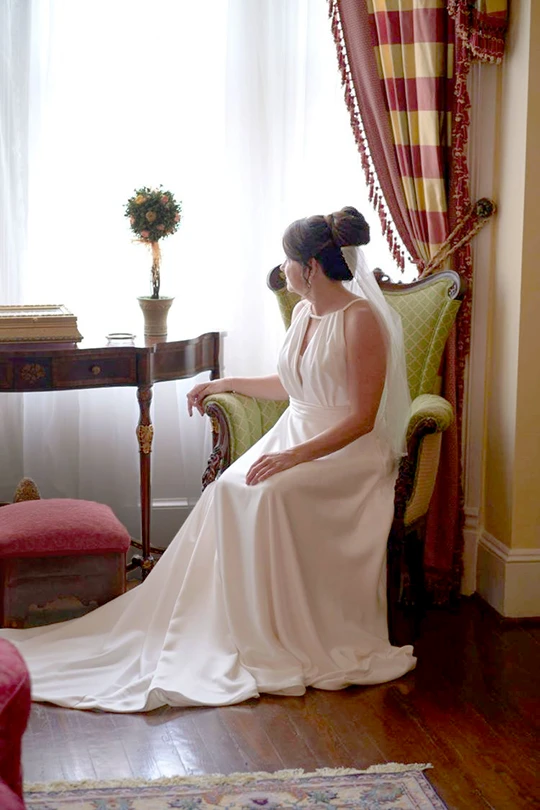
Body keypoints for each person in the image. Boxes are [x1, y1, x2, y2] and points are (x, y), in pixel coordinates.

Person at [0, 206, 416, 712]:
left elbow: (363, 418)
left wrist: (292, 460)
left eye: (287, 261)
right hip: (296, 434)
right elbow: (291, 383)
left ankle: (282, 630)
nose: (281, 270)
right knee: (228, 490)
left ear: (310, 266)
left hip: (345, 453)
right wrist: (225, 382)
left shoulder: (361, 319)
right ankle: (231, 622)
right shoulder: (307, 311)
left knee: (268, 497)